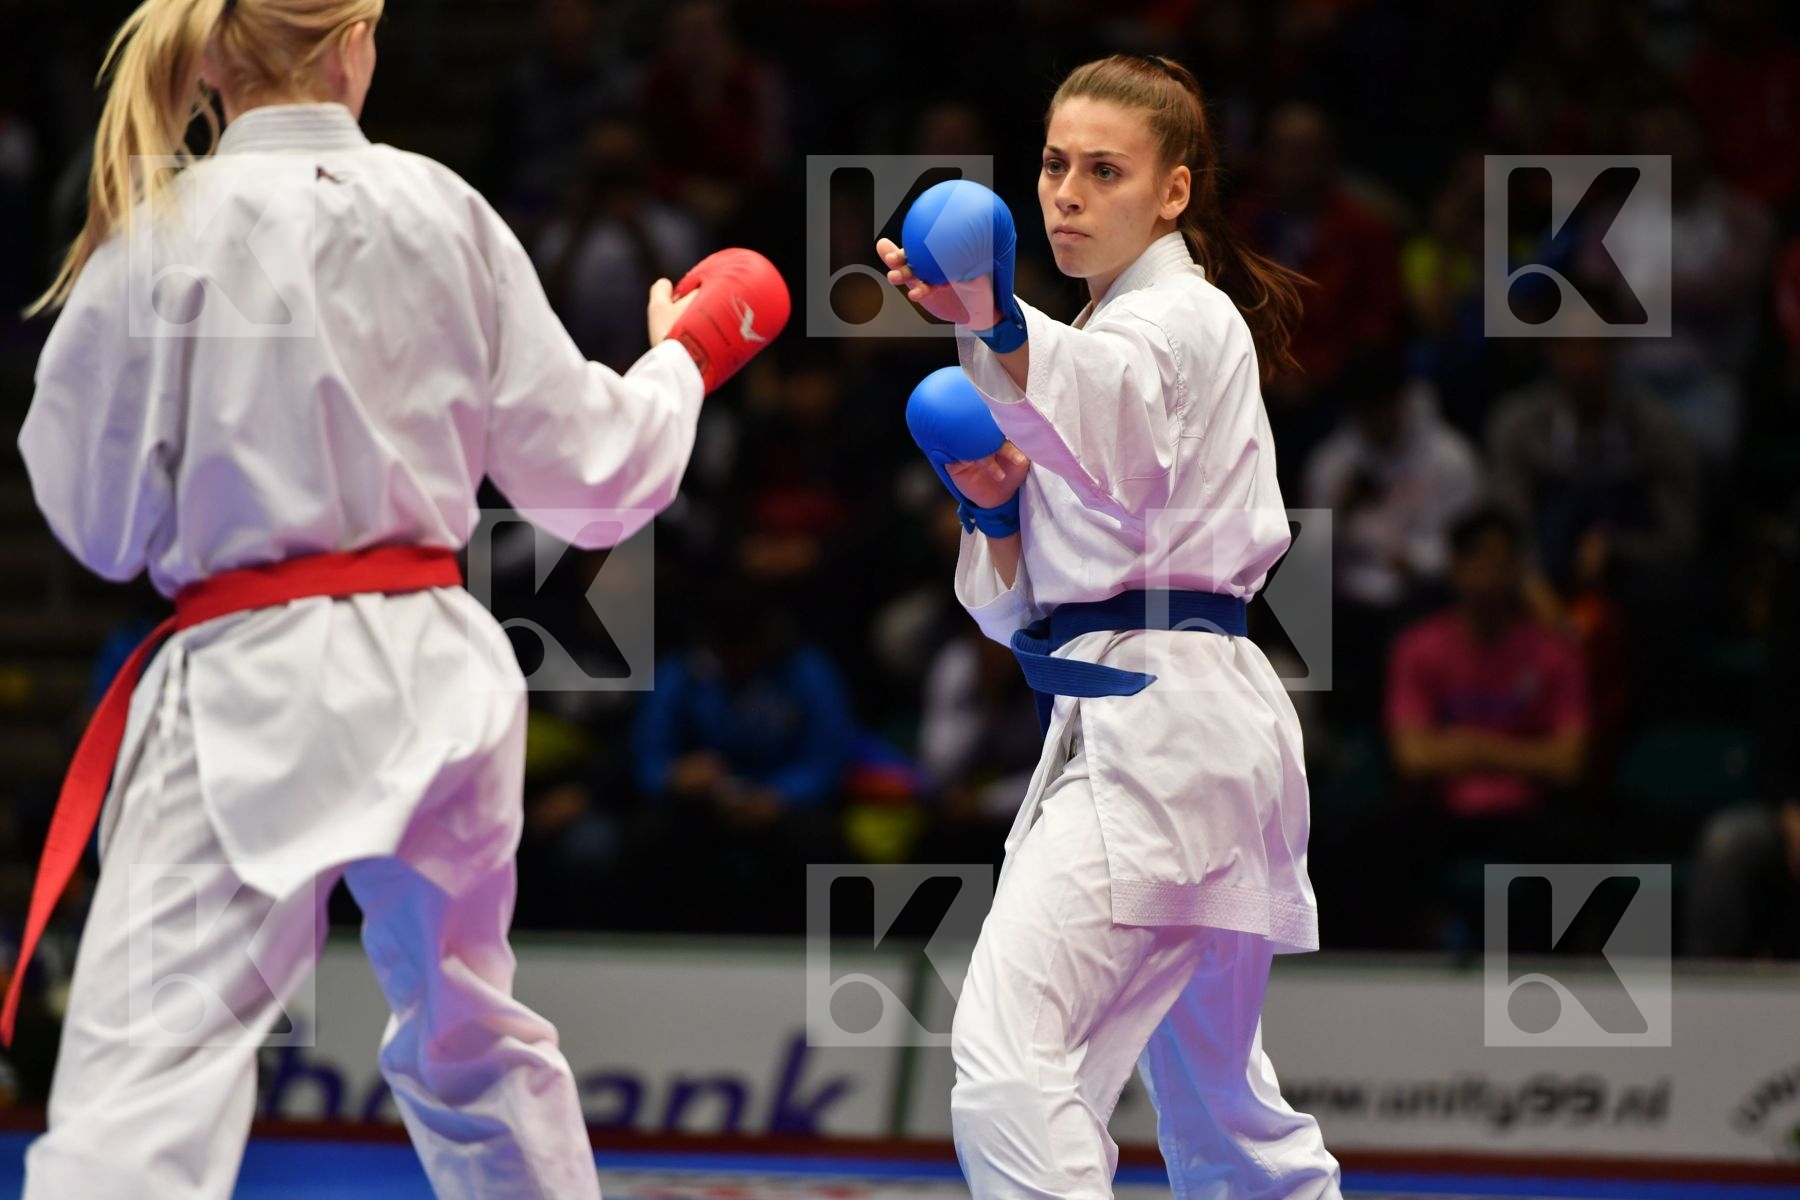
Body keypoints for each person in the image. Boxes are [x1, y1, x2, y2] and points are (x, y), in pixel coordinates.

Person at [6, 1, 784, 1196]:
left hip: (257, 676)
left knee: (148, 1078)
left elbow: (97, 526)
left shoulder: (158, 234)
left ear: (206, 56)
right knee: (471, 1042)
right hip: (441, 673)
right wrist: (685, 355)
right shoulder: (446, 208)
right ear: (360, 38)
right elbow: (594, 483)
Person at [878, 53, 1341, 1200]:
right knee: (1223, 1114)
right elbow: (1010, 607)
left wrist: (991, 317)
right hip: (1171, 732)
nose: (1066, 193)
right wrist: (988, 507)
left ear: (1173, 192)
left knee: (1008, 1059)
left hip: (1165, 742)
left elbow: (1119, 435)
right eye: (1051, 165)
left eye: (1103, 170)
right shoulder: (1077, 339)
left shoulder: (1179, 320)